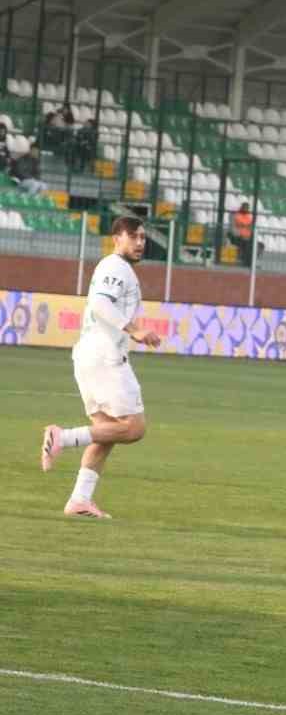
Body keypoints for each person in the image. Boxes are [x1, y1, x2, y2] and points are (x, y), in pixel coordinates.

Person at [39, 216, 163, 519]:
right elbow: (100, 304)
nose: (139, 242)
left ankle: (79, 500)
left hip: (89, 355)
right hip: (104, 356)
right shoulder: (115, 267)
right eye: (133, 236)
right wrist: (132, 329)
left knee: (105, 433)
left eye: (143, 237)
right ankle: (62, 438)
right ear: (116, 238)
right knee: (133, 428)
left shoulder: (117, 268)